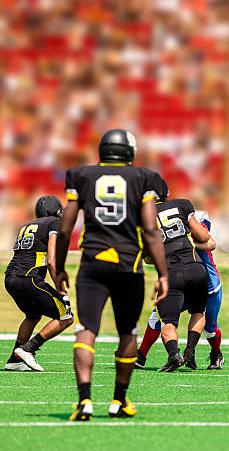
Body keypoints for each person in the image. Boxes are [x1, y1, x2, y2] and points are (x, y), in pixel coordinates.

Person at [54, 129, 168, 421]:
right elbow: (151, 229)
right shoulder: (144, 178)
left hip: (92, 262)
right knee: (127, 331)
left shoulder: (81, 175)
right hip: (128, 264)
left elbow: (66, 228)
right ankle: (118, 401)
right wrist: (163, 273)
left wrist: (59, 267)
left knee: (86, 330)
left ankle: (84, 401)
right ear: (129, 151)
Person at [136, 210, 224, 370]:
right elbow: (150, 259)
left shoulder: (195, 230)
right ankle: (141, 356)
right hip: (185, 280)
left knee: (210, 328)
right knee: (158, 316)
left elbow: (211, 243)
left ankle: (215, 353)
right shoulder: (177, 232)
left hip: (209, 285)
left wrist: (184, 242)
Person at [149, 177, 211, 372]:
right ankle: (190, 351)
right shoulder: (182, 204)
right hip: (196, 267)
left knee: (168, 322)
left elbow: (148, 258)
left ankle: (173, 355)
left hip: (171, 273)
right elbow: (203, 236)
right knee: (198, 312)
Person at [7, 196, 74, 371]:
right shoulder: (54, 223)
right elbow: (52, 260)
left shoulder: (27, 226)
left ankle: (14, 359)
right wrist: (62, 291)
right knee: (66, 316)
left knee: (33, 315)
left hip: (10, 278)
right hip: (28, 278)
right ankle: (28, 349)